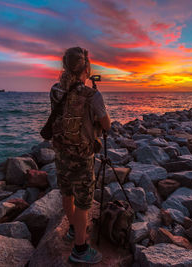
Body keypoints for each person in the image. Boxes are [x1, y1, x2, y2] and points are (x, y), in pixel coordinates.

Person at [50, 47, 111, 264]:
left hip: (61, 153)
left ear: (65, 66)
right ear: (86, 68)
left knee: (67, 193)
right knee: (84, 202)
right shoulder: (92, 95)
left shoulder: (55, 90)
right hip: (82, 156)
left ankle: (73, 229)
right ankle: (80, 249)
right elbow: (106, 125)